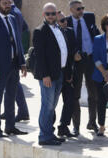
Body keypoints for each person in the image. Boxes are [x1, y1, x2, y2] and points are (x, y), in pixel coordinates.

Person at [0, 0, 28, 138]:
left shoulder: (13, 19)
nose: (8, 5)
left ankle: (10, 127)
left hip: (14, 65)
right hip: (0, 68)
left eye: (9, 2)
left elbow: (18, 42)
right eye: (5, 3)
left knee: (11, 97)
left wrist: (22, 62)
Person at [33, 3, 73, 146]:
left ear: (57, 14)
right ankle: (44, 136)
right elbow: (40, 56)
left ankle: (49, 133)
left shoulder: (60, 29)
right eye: (48, 14)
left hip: (60, 73)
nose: (51, 16)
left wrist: (68, 72)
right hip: (48, 75)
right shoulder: (40, 31)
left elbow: (64, 52)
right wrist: (45, 76)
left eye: (53, 13)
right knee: (47, 105)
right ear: (44, 15)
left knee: (52, 105)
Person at [67, 0, 100, 134]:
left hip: (91, 59)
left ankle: (92, 122)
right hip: (77, 61)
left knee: (94, 93)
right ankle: (76, 126)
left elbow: (96, 34)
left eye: (82, 8)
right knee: (76, 94)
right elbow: (65, 42)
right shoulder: (67, 22)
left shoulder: (89, 17)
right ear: (71, 10)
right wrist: (73, 54)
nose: (81, 11)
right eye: (78, 9)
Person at [57, 10, 80, 138]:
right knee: (52, 104)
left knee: (70, 100)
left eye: (65, 19)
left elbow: (74, 47)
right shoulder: (52, 33)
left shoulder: (70, 31)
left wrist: (76, 53)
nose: (65, 22)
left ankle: (63, 126)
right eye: (61, 21)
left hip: (69, 72)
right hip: (56, 74)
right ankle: (49, 127)